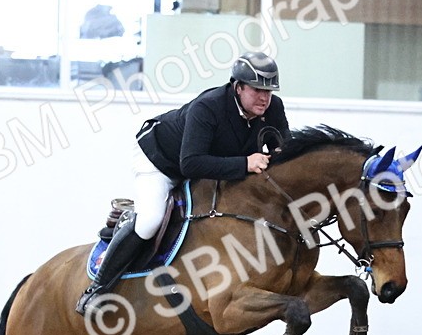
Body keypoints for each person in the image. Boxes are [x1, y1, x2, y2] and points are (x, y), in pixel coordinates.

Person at [76, 51, 290, 315]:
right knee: (150, 220)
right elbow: (190, 164)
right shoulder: (208, 107)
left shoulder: (273, 108)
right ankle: (97, 289)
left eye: (269, 91)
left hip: (204, 164)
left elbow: (283, 150)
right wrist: (244, 164)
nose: (264, 98)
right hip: (160, 161)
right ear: (238, 86)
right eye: (257, 90)